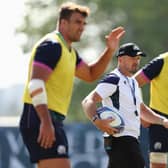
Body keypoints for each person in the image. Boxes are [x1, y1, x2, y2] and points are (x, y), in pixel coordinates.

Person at [19, 2, 125, 168]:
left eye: (84, 23)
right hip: (41, 116)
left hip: (50, 118)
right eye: (77, 22)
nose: (82, 27)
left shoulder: (68, 51)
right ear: (63, 23)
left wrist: (110, 50)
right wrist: (46, 122)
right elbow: (36, 84)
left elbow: (90, 74)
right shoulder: (52, 45)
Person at [81, 43, 168, 168]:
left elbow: (142, 109)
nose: (136, 61)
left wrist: (162, 121)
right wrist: (96, 120)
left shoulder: (133, 82)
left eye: (138, 58)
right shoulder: (113, 79)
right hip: (121, 138)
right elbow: (88, 101)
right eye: (132, 58)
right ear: (120, 59)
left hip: (130, 139)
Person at [134, 52, 168, 168]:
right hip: (160, 122)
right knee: (158, 164)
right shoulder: (162, 61)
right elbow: (132, 84)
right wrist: (141, 112)